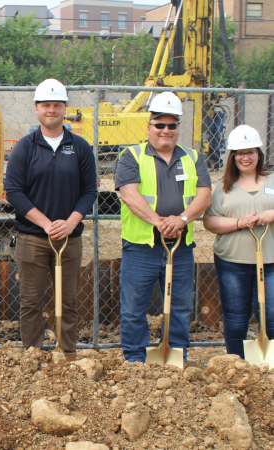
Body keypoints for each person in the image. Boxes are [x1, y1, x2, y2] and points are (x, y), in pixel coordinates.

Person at [115, 91, 212, 363]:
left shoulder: (193, 157)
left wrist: (181, 220)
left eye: (172, 125)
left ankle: (176, 354)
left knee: (179, 307)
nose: (165, 130)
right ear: (149, 128)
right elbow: (129, 195)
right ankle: (135, 360)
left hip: (180, 247)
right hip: (141, 247)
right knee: (134, 308)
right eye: (160, 125)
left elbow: (205, 195)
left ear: (177, 128)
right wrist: (160, 222)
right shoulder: (131, 155)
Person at [5, 79, 98, 360]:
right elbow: (14, 191)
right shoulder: (25, 147)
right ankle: (33, 354)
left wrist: (70, 222)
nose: (52, 110)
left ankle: (66, 352)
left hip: (70, 238)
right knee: (31, 301)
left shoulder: (80, 147)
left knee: (68, 299)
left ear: (64, 109)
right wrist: (46, 223)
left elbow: (89, 190)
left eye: (57, 105)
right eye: (46, 105)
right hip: (33, 237)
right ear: (36, 109)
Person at [203, 125, 274, 359]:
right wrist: (238, 223)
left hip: (271, 259)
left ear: (259, 155)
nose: (245, 158)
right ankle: (236, 361)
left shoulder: (272, 179)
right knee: (235, 316)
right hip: (233, 260)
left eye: (250, 152)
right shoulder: (223, 188)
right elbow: (210, 222)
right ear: (232, 157)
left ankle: (269, 360)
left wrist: (271, 214)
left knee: (271, 313)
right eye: (240, 153)